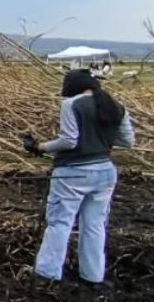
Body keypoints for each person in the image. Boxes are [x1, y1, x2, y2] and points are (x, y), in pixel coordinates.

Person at [27, 70, 136, 289]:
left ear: (72, 87)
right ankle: (93, 277)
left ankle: (47, 275)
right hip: (105, 172)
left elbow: (69, 140)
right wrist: (100, 140)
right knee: (95, 225)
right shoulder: (116, 106)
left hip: (73, 173)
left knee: (60, 223)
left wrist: (41, 147)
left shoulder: (71, 104)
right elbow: (128, 142)